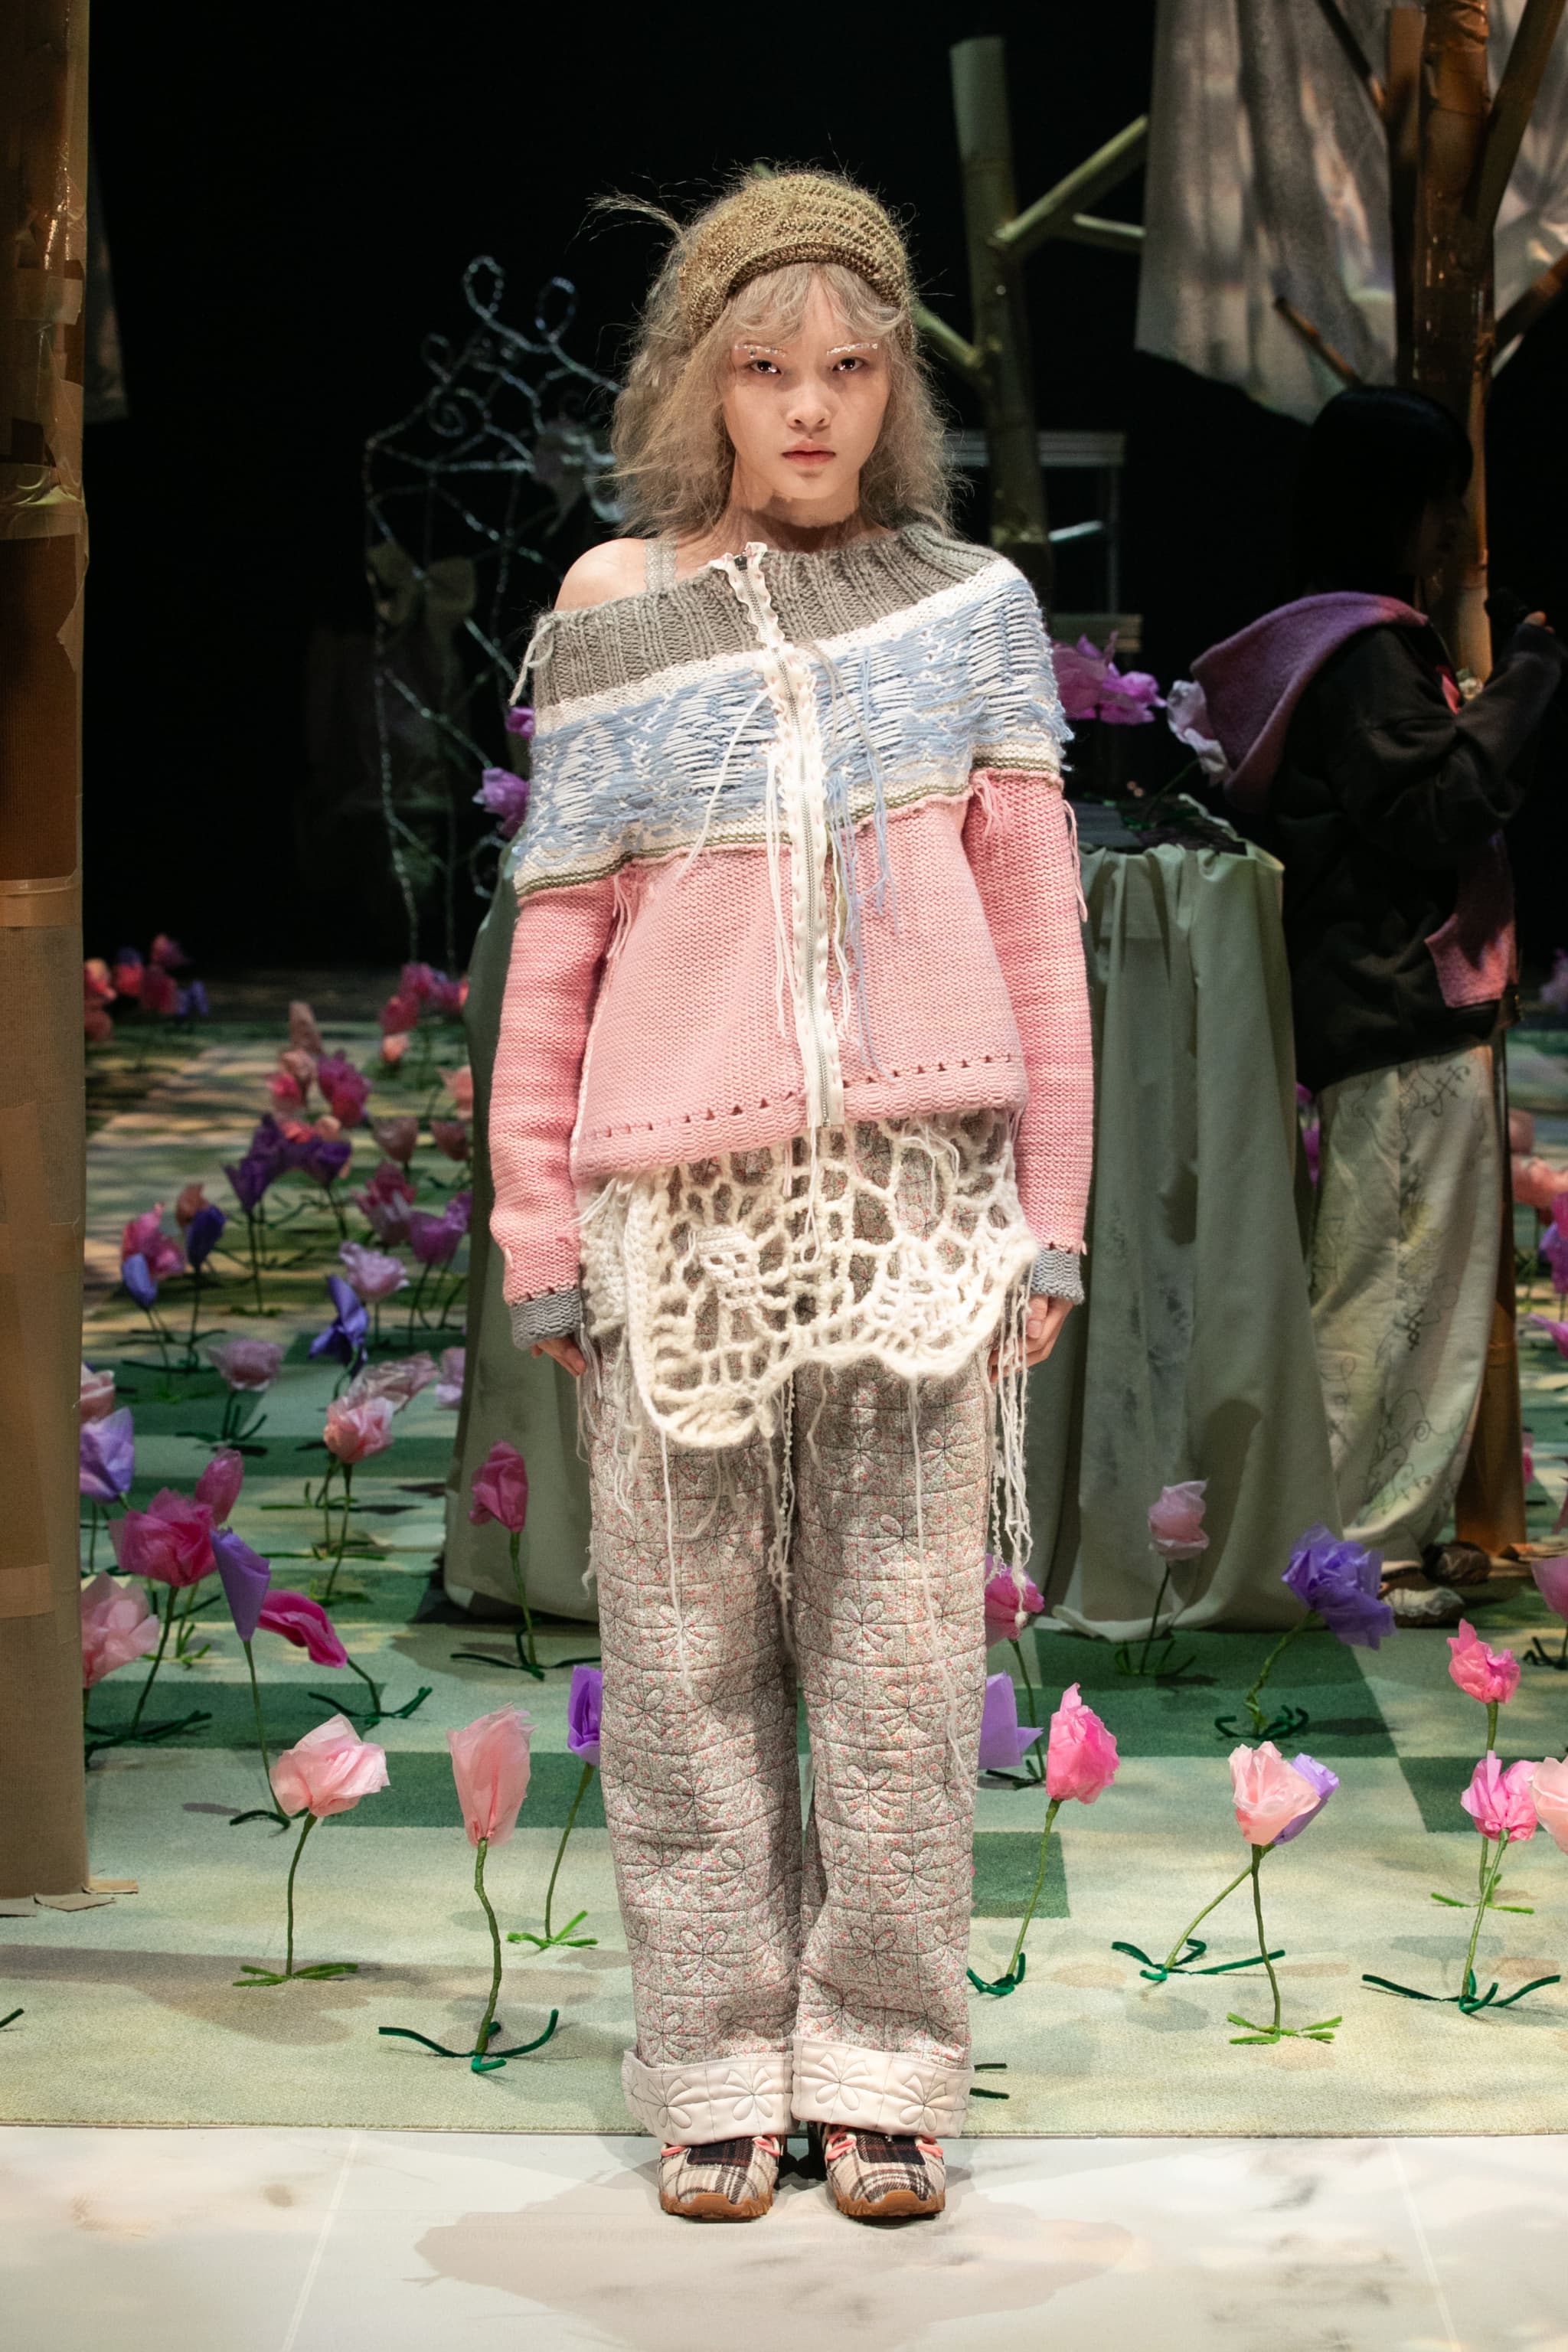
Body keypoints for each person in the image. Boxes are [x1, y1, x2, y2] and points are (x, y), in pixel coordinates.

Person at [488, 171, 1093, 2222]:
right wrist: (539, 1232)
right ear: (705, 382)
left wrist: (1051, 1210)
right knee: (679, 1664)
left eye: (848, 367)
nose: (811, 407)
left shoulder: (968, 608)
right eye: (767, 369)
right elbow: (557, 942)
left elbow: (1038, 939)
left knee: (903, 1662)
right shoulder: (613, 604)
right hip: (678, 1221)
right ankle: (715, 2059)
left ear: (896, 382)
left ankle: (887, 2062)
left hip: (918, 1202)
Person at [1195, 386, 1566, 1617]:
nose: (1458, 531)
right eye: (1439, 502)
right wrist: (1530, 677)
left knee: (1397, 1280)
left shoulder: (1347, 644)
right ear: (1388, 509)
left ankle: (1370, 1536)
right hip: (1403, 1012)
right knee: (1394, 1288)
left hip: (1392, 1009)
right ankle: (1357, 1549)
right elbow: (1434, 808)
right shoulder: (1361, 653)